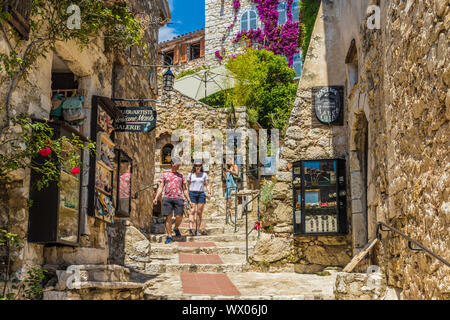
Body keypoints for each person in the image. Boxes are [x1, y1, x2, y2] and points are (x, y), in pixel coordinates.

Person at [153, 159, 191, 244]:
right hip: (167, 198)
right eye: (178, 163)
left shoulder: (181, 176)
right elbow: (160, 187)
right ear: (172, 164)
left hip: (179, 198)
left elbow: (185, 189)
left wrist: (189, 200)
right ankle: (169, 236)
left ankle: (176, 228)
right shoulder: (164, 175)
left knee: (179, 216)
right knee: (168, 217)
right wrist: (156, 197)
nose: (179, 165)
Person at [187, 161, 211, 236]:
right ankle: (191, 229)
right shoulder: (190, 175)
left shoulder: (204, 175)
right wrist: (186, 195)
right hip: (192, 193)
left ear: (201, 166)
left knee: (199, 212)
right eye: (196, 165)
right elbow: (187, 185)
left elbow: (207, 184)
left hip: (201, 194)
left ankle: (197, 230)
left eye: (199, 165)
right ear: (194, 166)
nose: (198, 167)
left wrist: (209, 192)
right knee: (192, 211)